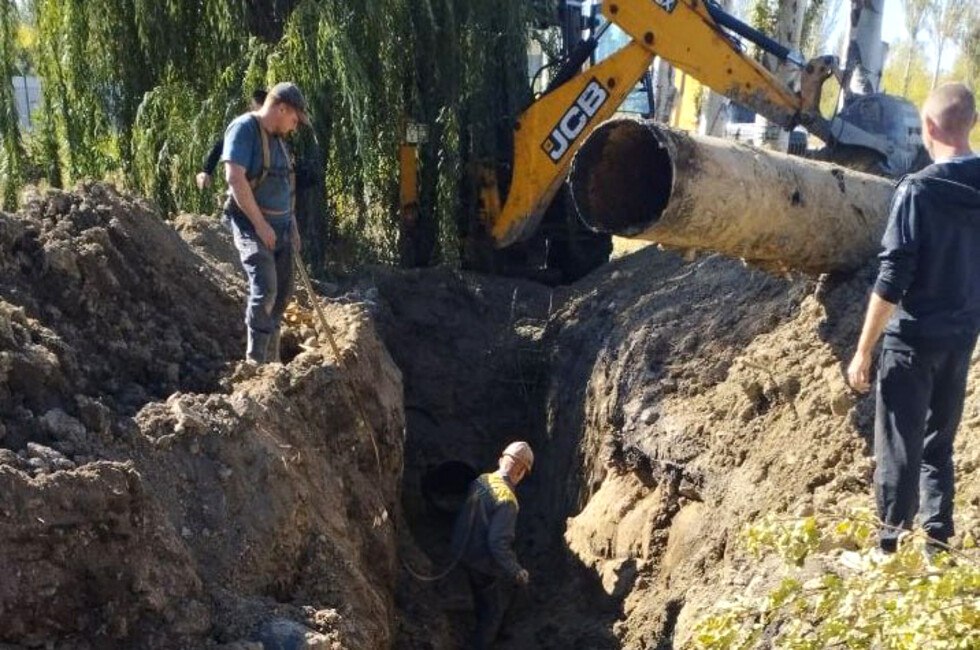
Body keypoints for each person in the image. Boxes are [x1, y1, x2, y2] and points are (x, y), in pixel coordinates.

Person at [847, 82, 980, 556]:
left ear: (927, 127)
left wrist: (863, 350)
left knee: (897, 450)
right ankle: (937, 547)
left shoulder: (919, 190)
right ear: (972, 125)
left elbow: (892, 276)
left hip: (913, 340)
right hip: (961, 337)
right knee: (938, 444)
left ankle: (889, 548)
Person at [222, 81, 310, 363]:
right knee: (266, 287)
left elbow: (286, 185)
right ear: (281, 108)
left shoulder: (279, 141)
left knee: (283, 293)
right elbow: (235, 178)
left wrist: (292, 225)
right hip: (252, 225)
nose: (294, 127)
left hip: (282, 228)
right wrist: (260, 225)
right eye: (294, 120)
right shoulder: (244, 129)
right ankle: (256, 363)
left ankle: (272, 364)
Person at [451, 441, 533, 649]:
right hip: (481, 562)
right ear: (521, 472)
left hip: (463, 551)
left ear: (500, 460)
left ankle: (484, 619)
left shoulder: (482, 480)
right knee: (492, 615)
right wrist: (516, 570)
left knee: (482, 597)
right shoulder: (507, 501)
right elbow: (497, 543)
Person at [197, 89, 268, 190]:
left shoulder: (275, 129)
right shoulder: (244, 127)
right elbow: (221, 145)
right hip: (246, 184)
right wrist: (206, 171)